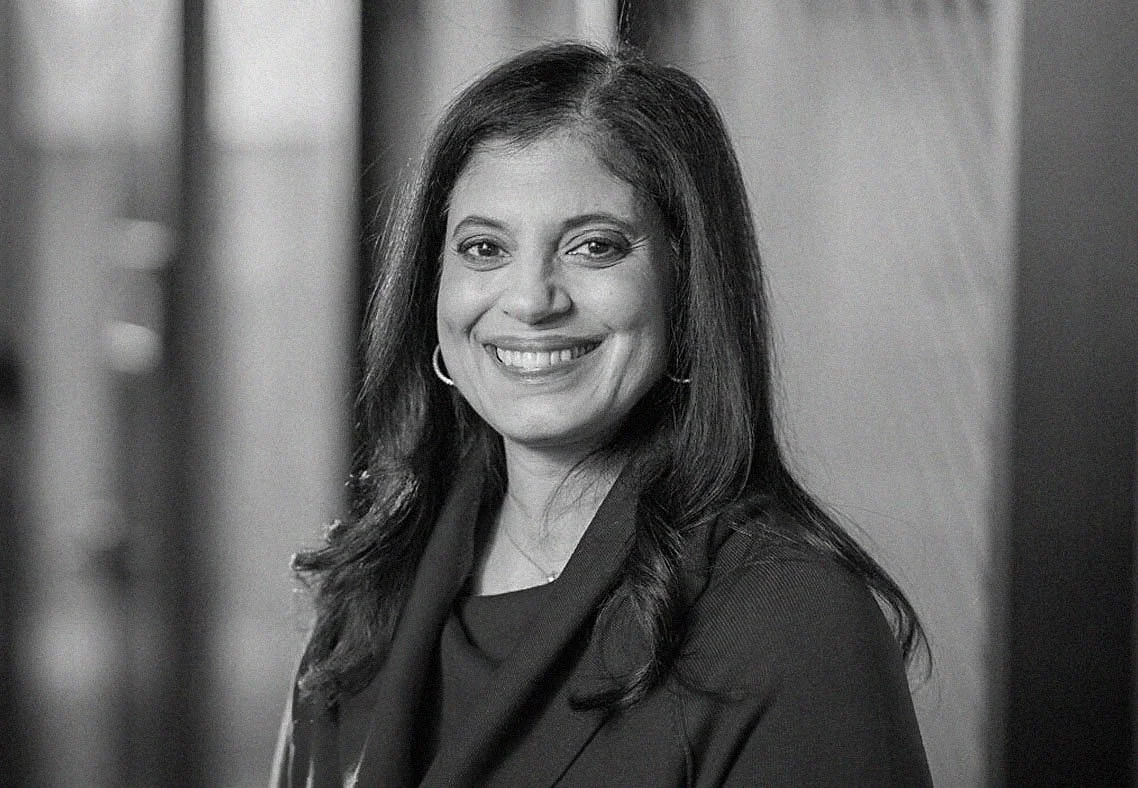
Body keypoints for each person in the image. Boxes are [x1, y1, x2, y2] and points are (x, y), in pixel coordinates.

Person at [272, 41, 932, 787]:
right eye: (484, 248)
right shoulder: (371, 588)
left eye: (594, 247)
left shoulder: (791, 624)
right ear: (435, 294)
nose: (529, 300)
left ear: (686, 287)